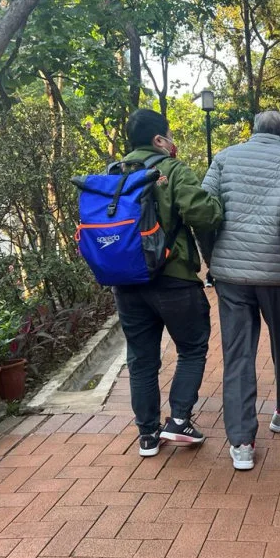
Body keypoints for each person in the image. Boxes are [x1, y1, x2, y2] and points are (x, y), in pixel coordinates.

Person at [200, 110, 280, 470]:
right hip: (278, 274)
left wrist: (212, 260)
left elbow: (204, 213)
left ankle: (242, 443)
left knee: (238, 354)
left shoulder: (223, 159)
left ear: (251, 132)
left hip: (231, 275)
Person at [115, 109, 223, 457]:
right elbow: (203, 215)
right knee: (192, 347)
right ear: (159, 140)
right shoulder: (171, 169)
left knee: (141, 360)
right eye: (169, 135)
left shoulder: (113, 174)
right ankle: (178, 419)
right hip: (172, 276)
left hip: (127, 282)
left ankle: (147, 435)